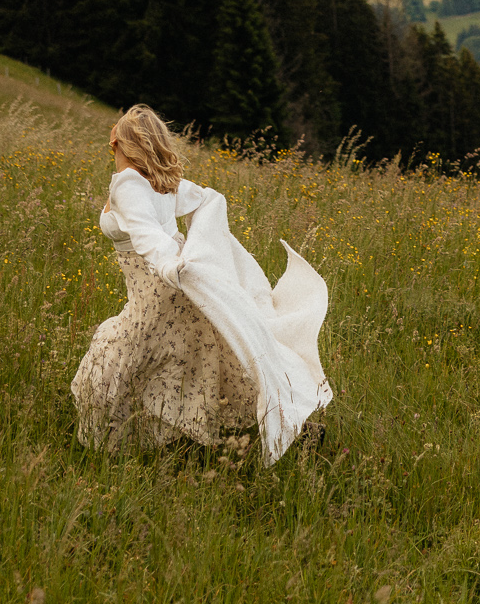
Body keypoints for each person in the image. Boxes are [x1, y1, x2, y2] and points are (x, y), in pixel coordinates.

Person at [71, 104, 332, 464]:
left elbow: (146, 233)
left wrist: (170, 263)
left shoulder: (129, 182)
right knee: (205, 356)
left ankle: (121, 450)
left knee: (121, 359)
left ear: (115, 139)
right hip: (173, 284)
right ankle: (273, 428)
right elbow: (208, 198)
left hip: (158, 288)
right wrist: (182, 260)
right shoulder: (159, 181)